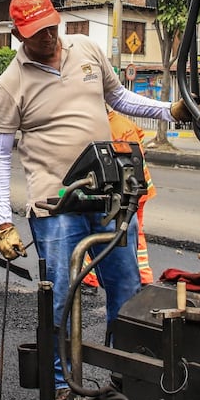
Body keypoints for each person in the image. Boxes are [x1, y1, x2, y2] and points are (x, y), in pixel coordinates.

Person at [0, 0, 198, 400]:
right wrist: (4, 222)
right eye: (35, 33)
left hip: (108, 194)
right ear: (17, 35)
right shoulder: (9, 85)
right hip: (55, 206)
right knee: (62, 294)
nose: (47, 38)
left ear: (57, 20)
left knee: (127, 288)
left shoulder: (85, 49)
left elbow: (118, 98)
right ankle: (63, 387)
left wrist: (167, 111)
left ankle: (126, 378)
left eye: (50, 28)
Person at [82, 109, 157, 287]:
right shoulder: (124, 122)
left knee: (94, 230)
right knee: (136, 232)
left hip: (126, 189)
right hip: (141, 187)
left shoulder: (105, 128)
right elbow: (141, 140)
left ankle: (90, 279)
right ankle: (144, 276)